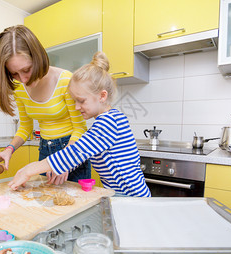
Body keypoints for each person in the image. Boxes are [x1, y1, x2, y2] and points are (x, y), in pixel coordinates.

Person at [8, 51, 151, 197]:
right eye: (75, 101)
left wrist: (29, 170)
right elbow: (79, 154)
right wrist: (60, 165)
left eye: (81, 101)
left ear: (102, 96)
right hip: (121, 195)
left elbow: (74, 152)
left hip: (133, 197)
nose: (76, 107)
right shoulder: (107, 120)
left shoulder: (109, 122)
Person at [0, 25, 91, 184]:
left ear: (37, 58)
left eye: (27, 69)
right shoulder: (18, 88)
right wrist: (8, 150)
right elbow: (25, 127)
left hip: (72, 149)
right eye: (14, 74)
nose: (23, 80)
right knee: (46, 205)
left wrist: (64, 160)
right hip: (45, 151)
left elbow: (80, 128)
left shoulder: (65, 80)